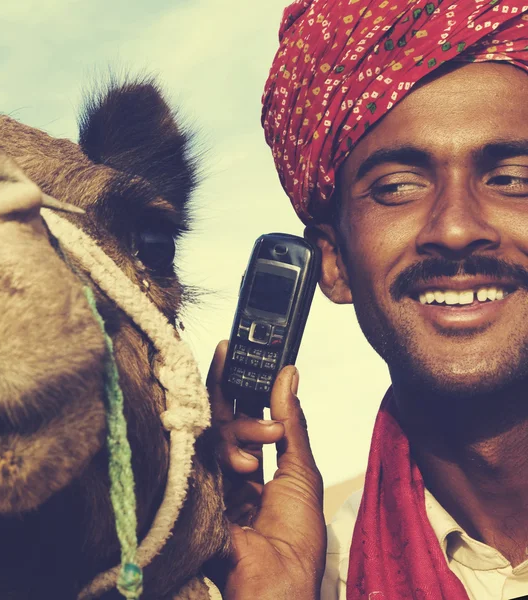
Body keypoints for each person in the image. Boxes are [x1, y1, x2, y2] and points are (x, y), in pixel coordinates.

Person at [206, 1, 528, 598]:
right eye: (397, 189)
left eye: (512, 179)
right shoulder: (324, 575)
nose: (456, 228)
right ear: (333, 263)